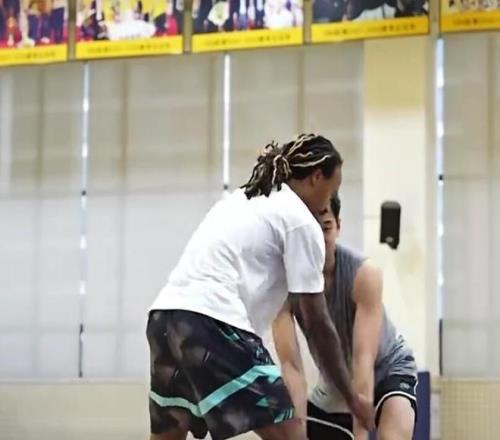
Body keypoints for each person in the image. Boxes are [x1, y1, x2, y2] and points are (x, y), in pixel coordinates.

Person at [146, 134, 374, 440]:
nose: (328, 202)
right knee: (290, 435)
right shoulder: (300, 220)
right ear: (316, 177)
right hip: (213, 321)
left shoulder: (245, 197)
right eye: (332, 190)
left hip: (165, 318)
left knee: (168, 434)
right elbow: (318, 322)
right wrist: (351, 396)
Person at [274, 194, 418, 440]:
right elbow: (291, 367)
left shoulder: (364, 274)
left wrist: (360, 435)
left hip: (387, 368)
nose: (317, 240)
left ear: (338, 226)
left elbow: (363, 358)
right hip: (335, 381)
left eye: (326, 228)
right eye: (309, 231)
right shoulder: (282, 284)